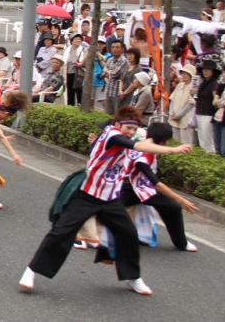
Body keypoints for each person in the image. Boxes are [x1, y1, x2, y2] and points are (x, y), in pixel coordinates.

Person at [18, 107, 193, 296]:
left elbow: (139, 148)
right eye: (128, 128)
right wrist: (173, 150)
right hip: (87, 195)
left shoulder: (126, 140)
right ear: (117, 125)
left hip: (110, 199)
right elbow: (140, 147)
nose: (131, 132)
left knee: (128, 234)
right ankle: (31, 271)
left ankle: (133, 277)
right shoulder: (112, 135)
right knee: (61, 233)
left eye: (134, 129)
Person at [120, 123, 199, 252]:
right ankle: (85, 234)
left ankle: (181, 242)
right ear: (163, 141)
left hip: (141, 187)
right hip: (131, 188)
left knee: (171, 207)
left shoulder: (141, 140)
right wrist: (181, 200)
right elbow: (157, 184)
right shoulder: (143, 155)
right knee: (104, 209)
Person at [195, 60, 220, 153]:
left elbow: (216, 98)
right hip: (199, 113)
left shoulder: (215, 84)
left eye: (208, 70)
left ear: (213, 71)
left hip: (208, 115)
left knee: (208, 141)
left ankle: (211, 162)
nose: (205, 72)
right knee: (202, 140)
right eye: (204, 69)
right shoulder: (202, 84)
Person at [169, 64, 197, 144]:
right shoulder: (179, 85)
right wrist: (171, 112)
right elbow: (172, 99)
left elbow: (190, 103)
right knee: (175, 142)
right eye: (182, 73)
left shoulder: (193, 87)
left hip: (186, 118)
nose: (183, 75)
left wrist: (179, 115)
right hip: (174, 118)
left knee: (186, 142)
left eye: (186, 74)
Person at [103, 40, 128, 115]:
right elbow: (103, 71)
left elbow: (115, 73)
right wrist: (108, 72)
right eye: (113, 47)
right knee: (107, 115)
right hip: (109, 90)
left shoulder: (124, 61)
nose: (114, 49)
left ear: (122, 49)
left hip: (118, 93)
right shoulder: (110, 59)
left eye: (117, 47)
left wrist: (108, 72)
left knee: (117, 115)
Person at [64, 34, 87, 106]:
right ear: (72, 41)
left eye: (79, 39)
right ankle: (70, 107)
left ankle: (80, 106)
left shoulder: (84, 49)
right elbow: (64, 61)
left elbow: (84, 62)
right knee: (70, 92)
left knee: (79, 90)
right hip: (69, 72)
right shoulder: (68, 49)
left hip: (79, 73)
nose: (78, 40)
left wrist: (80, 63)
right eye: (76, 39)